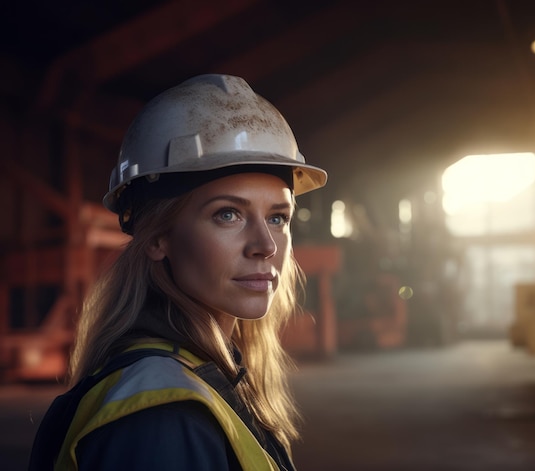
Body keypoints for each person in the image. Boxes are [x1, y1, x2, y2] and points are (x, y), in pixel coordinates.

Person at [29, 74, 327, 470]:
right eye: (228, 214)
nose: (266, 246)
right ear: (158, 238)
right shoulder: (162, 418)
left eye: (278, 217)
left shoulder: (209, 376)